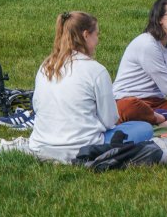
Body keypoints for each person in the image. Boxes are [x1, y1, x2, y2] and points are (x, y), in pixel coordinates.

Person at [27, 11, 154, 163]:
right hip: (83, 147)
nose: (98, 40)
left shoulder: (45, 67)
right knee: (144, 128)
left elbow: (37, 106)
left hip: (41, 144)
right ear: (86, 35)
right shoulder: (96, 70)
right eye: (97, 35)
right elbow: (109, 120)